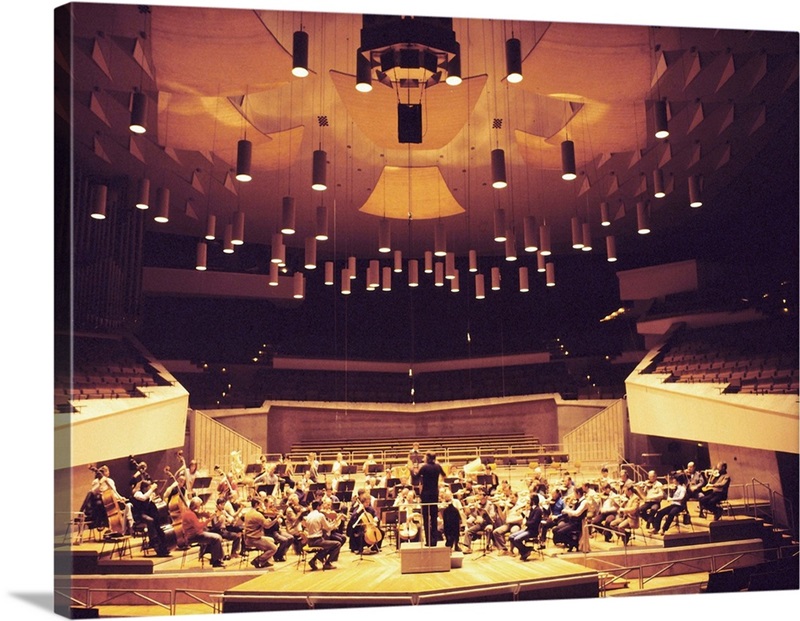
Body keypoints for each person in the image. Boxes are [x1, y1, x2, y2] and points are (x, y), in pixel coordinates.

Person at [130, 479, 171, 557]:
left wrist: (153, 495)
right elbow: (143, 498)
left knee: (156, 521)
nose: (150, 489)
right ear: (144, 488)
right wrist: (152, 489)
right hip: (140, 515)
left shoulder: (149, 493)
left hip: (147, 513)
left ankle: (162, 545)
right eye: (148, 487)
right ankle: (153, 539)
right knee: (151, 520)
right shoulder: (137, 493)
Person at [181, 497, 226, 568]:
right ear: (195, 506)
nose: (199, 508)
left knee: (215, 536)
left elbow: (197, 516)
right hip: (193, 536)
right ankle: (216, 561)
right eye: (199, 506)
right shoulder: (190, 514)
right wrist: (209, 519)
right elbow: (199, 526)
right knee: (216, 538)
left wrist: (203, 514)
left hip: (195, 534)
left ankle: (215, 557)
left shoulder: (189, 512)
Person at [302, 500, 343, 570]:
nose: (322, 507)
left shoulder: (308, 515)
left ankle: (313, 560)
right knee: (337, 544)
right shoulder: (320, 515)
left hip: (309, 541)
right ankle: (327, 563)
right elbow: (328, 528)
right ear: (318, 507)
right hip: (317, 540)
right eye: (321, 506)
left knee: (326, 545)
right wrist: (336, 521)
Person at [417, 452, 446, 547]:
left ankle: (428, 541)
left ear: (428, 458)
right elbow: (444, 475)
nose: (424, 458)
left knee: (426, 518)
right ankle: (434, 541)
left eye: (425, 457)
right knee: (434, 518)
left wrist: (410, 470)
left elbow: (415, 477)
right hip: (434, 494)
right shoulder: (437, 466)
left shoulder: (424, 467)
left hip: (425, 495)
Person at [242, 497, 278, 568]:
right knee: (274, 548)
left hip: (248, 538)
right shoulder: (257, 515)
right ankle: (258, 560)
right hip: (254, 539)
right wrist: (276, 519)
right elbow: (267, 526)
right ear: (256, 504)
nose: (262, 506)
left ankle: (264, 561)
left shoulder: (248, 513)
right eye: (261, 504)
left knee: (271, 540)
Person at [509, 493, 543, 561]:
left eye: (529, 500)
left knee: (516, 539)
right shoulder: (532, 509)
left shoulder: (538, 510)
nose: (528, 501)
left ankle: (525, 551)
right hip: (528, 529)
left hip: (533, 531)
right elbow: (528, 519)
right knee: (511, 537)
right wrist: (523, 513)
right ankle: (526, 550)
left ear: (533, 501)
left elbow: (533, 522)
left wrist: (525, 523)